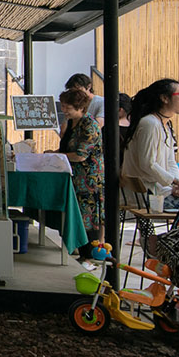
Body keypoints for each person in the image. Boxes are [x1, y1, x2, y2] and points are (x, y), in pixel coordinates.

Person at [121, 78, 179, 213]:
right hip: (148, 196)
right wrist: (176, 183)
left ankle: (168, 235)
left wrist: (178, 185)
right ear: (164, 98)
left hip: (157, 192)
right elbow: (147, 163)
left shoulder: (164, 125)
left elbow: (171, 162)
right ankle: (173, 235)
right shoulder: (150, 124)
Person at [58, 86, 104, 252]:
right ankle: (78, 248)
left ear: (81, 108)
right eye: (63, 106)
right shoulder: (71, 123)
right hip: (73, 175)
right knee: (76, 213)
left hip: (88, 178)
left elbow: (81, 155)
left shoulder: (90, 125)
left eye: (68, 108)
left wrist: (58, 156)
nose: (64, 111)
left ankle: (89, 253)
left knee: (88, 215)